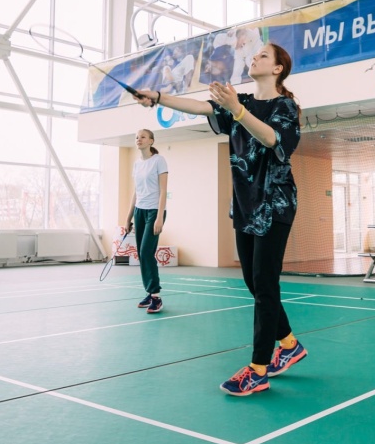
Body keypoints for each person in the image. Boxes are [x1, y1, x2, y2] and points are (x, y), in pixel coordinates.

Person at [135, 43, 306, 396]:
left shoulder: (285, 107)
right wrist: (158, 97)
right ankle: (289, 344)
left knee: (265, 285)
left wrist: (237, 110)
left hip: (274, 204)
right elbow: (199, 106)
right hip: (244, 205)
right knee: (253, 282)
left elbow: (272, 139)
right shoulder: (238, 102)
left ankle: (258, 370)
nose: (254, 58)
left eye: (263, 55)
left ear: (277, 69)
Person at [123, 129, 168, 314]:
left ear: (151, 141)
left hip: (154, 211)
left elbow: (163, 191)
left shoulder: (159, 160)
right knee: (142, 255)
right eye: (136, 137)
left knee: (146, 251)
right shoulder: (136, 164)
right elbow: (136, 192)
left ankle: (156, 296)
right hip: (139, 211)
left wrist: (159, 217)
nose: (138, 139)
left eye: (142, 137)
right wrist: (128, 218)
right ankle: (150, 293)